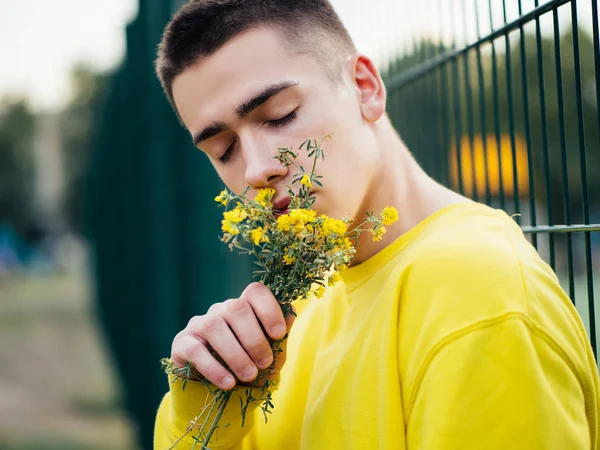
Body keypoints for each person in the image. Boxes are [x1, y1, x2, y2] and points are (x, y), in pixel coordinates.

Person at [153, 1, 600, 448]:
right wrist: (199, 418)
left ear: (365, 87)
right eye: (223, 150)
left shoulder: (479, 298)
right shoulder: (293, 312)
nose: (255, 170)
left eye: (280, 115)